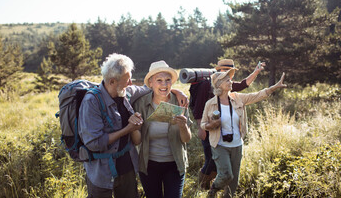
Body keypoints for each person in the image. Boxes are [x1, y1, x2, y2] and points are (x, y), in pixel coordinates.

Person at [78, 54, 188, 198]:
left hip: (127, 167)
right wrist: (127, 130)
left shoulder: (126, 93)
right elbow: (94, 143)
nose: (131, 83)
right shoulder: (91, 102)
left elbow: (152, 88)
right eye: (127, 79)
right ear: (112, 81)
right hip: (102, 171)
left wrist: (176, 91)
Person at [201, 69, 287, 198]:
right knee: (226, 175)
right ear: (218, 84)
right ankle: (213, 189)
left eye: (230, 79)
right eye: (227, 80)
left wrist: (274, 87)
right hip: (219, 145)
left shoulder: (238, 98)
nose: (230, 82)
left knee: (234, 181)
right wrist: (211, 125)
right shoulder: (211, 104)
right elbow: (203, 124)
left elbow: (258, 95)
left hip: (237, 144)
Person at [190, 59, 265, 189]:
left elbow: (243, 84)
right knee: (210, 159)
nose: (229, 76)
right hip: (208, 128)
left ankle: (215, 185)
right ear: (218, 71)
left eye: (230, 74)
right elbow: (198, 108)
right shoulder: (206, 85)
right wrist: (201, 128)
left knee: (218, 161)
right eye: (225, 71)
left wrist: (256, 71)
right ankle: (202, 186)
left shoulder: (226, 85)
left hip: (222, 131)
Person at [133, 60, 192, 198]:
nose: (164, 84)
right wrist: (134, 127)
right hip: (149, 166)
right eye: (159, 80)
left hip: (175, 164)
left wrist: (183, 126)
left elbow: (186, 139)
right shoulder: (141, 104)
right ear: (151, 83)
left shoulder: (180, 102)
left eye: (167, 80)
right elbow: (136, 141)